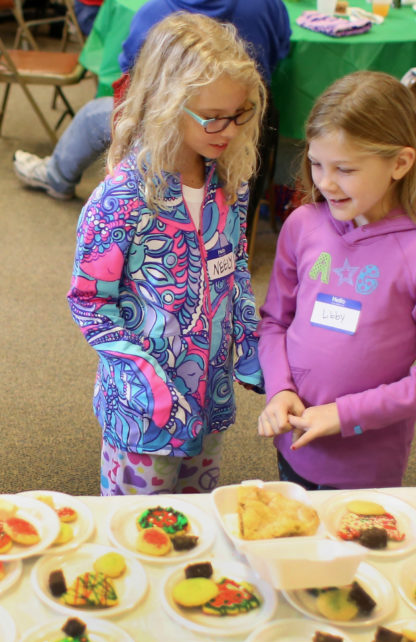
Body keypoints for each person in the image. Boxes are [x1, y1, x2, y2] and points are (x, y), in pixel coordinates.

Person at [67, 12, 265, 495]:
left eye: (240, 114)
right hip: (143, 412)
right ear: (166, 104)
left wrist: (249, 341)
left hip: (209, 399)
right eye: (213, 117)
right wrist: (145, 380)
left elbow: (235, 266)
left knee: (198, 518)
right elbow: (89, 302)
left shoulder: (230, 182)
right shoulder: (122, 199)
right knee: (140, 523)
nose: (229, 130)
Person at [257, 71, 416, 491]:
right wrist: (279, 389)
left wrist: (344, 414)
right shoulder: (302, 225)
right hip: (294, 442)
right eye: (316, 163)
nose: (325, 182)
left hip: (366, 463)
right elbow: (275, 322)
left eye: (345, 169)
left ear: (400, 163)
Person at [12, 0, 291, 216]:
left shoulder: (154, 11)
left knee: (91, 115)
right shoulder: (269, 5)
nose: (228, 132)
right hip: (248, 126)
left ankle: (56, 177)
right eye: (212, 116)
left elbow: (133, 77)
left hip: (169, 130)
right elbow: (280, 53)